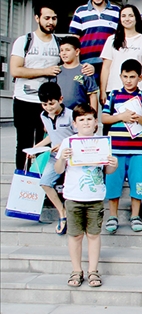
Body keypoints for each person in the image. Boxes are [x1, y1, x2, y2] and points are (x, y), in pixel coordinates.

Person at [54, 103, 118, 288]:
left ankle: (93, 271)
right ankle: (76, 270)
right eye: (81, 120)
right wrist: (62, 158)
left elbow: (109, 170)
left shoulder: (101, 142)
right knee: (74, 236)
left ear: (95, 122)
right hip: (73, 196)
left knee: (93, 235)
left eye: (89, 119)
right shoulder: (68, 143)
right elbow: (58, 169)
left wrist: (113, 163)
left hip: (95, 196)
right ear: (74, 124)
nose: (85, 123)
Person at [102, 59, 142, 233]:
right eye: (125, 76)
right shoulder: (114, 95)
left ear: (140, 77)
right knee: (113, 182)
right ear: (120, 76)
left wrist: (137, 118)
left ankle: (135, 215)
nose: (128, 81)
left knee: (137, 182)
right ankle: (113, 215)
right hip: (115, 149)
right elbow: (104, 118)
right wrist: (121, 116)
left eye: (132, 77)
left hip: (137, 150)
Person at [10, 4, 61, 170]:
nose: (50, 22)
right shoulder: (24, 41)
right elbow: (15, 70)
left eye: (54, 18)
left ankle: (41, 184)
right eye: (46, 18)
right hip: (24, 99)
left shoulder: (58, 43)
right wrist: (44, 71)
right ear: (37, 18)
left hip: (47, 104)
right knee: (23, 143)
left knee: (45, 144)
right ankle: (21, 179)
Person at [33, 82, 76, 235]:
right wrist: (36, 148)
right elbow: (51, 136)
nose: (49, 107)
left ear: (60, 99)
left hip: (72, 155)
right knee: (44, 183)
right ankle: (62, 212)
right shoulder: (43, 115)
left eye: (51, 103)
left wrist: (64, 145)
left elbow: (80, 137)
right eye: (45, 104)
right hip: (54, 156)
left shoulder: (71, 115)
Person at [68, 0, 121, 83]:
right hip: (86, 64)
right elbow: (74, 40)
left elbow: (121, 38)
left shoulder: (117, 11)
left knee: (105, 97)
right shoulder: (80, 11)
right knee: (88, 97)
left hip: (109, 63)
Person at [100, 4, 142, 105]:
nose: (127, 19)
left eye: (130, 15)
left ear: (136, 18)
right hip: (114, 89)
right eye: (123, 16)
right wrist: (103, 91)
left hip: (139, 90)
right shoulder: (111, 40)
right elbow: (106, 67)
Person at [56, 36, 99, 109]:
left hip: (80, 114)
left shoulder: (86, 70)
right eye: (61, 50)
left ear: (77, 52)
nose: (63, 53)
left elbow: (92, 96)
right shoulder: (56, 71)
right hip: (61, 114)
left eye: (67, 50)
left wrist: (93, 116)